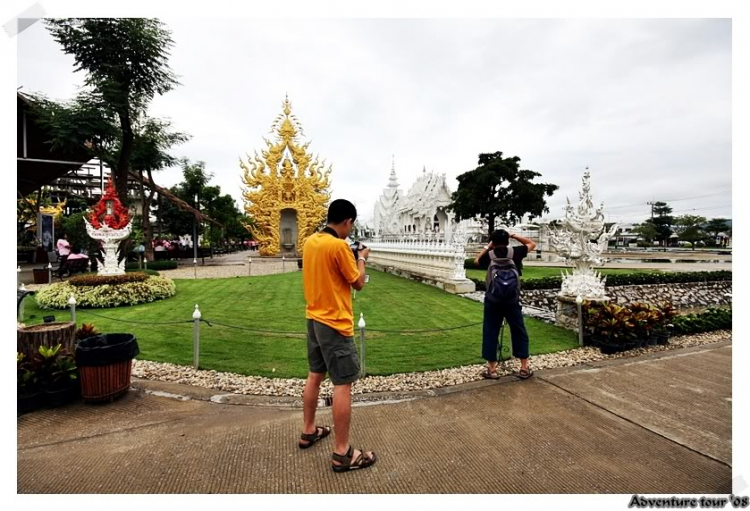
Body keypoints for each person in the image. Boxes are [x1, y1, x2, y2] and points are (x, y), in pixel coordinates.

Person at [299, 199, 377, 473]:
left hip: (313, 318)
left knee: (315, 375)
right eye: (351, 225)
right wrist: (362, 257)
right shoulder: (339, 246)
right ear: (347, 222)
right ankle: (343, 452)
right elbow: (357, 281)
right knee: (343, 384)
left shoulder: (311, 241)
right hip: (335, 323)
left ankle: (309, 430)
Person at [475, 229, 536, 380]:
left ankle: (493, 369)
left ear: (493, 242)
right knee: (518, 330)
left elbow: (476, 260)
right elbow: (531, 243)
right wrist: (514, 235)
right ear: (508, 241)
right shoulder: (515, 252)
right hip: (512, 300)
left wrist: (488, 246)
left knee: (490, 331)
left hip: (493, 300)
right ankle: (524, 367)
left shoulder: (489, 255)